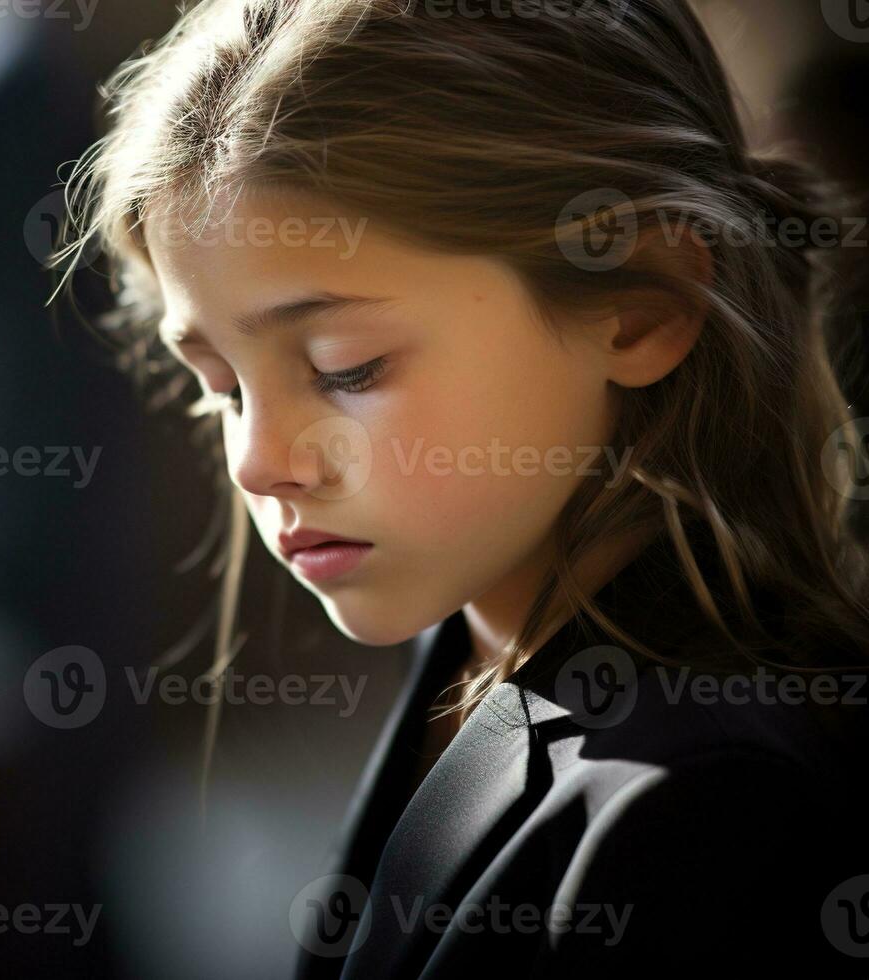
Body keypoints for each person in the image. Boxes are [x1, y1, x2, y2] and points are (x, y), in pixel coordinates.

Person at [60, 0, 869, 974]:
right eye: (222, 386)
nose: (256, 459)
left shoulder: (709, 812)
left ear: (638, 307)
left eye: (344, 366)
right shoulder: (473, 652)